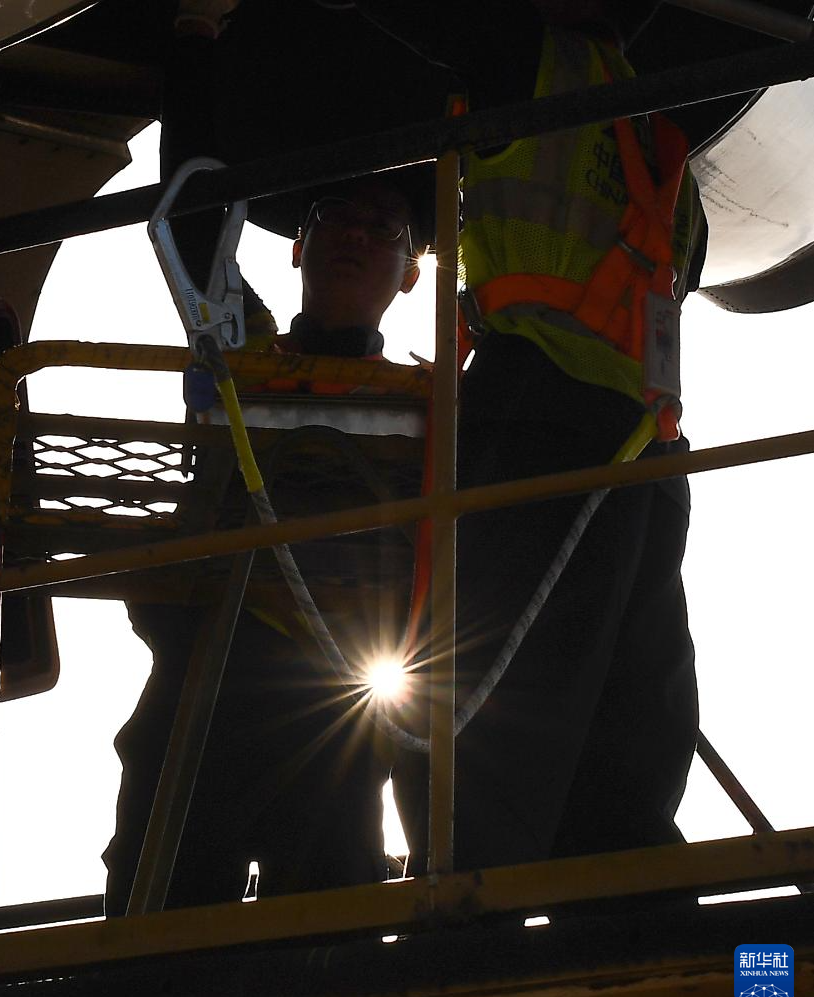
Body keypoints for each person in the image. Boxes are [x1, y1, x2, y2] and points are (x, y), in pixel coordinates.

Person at [356, 1, 705, 878]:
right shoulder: (646, 126)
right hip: (626, 446)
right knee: (607, 739)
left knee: (499, 726)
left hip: (560, 429)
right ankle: (620, 927)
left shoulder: (548, 67)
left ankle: (481, 923)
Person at [103, 172, 429, 914]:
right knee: (155, 917)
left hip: (339, 702)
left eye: (384, 226)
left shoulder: (432, 398)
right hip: (202, 681)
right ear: (297, 246)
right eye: (332, 213)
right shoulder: (237, 350)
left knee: (326, 930)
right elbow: (190, 225)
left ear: (413, 274)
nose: (355, 232)